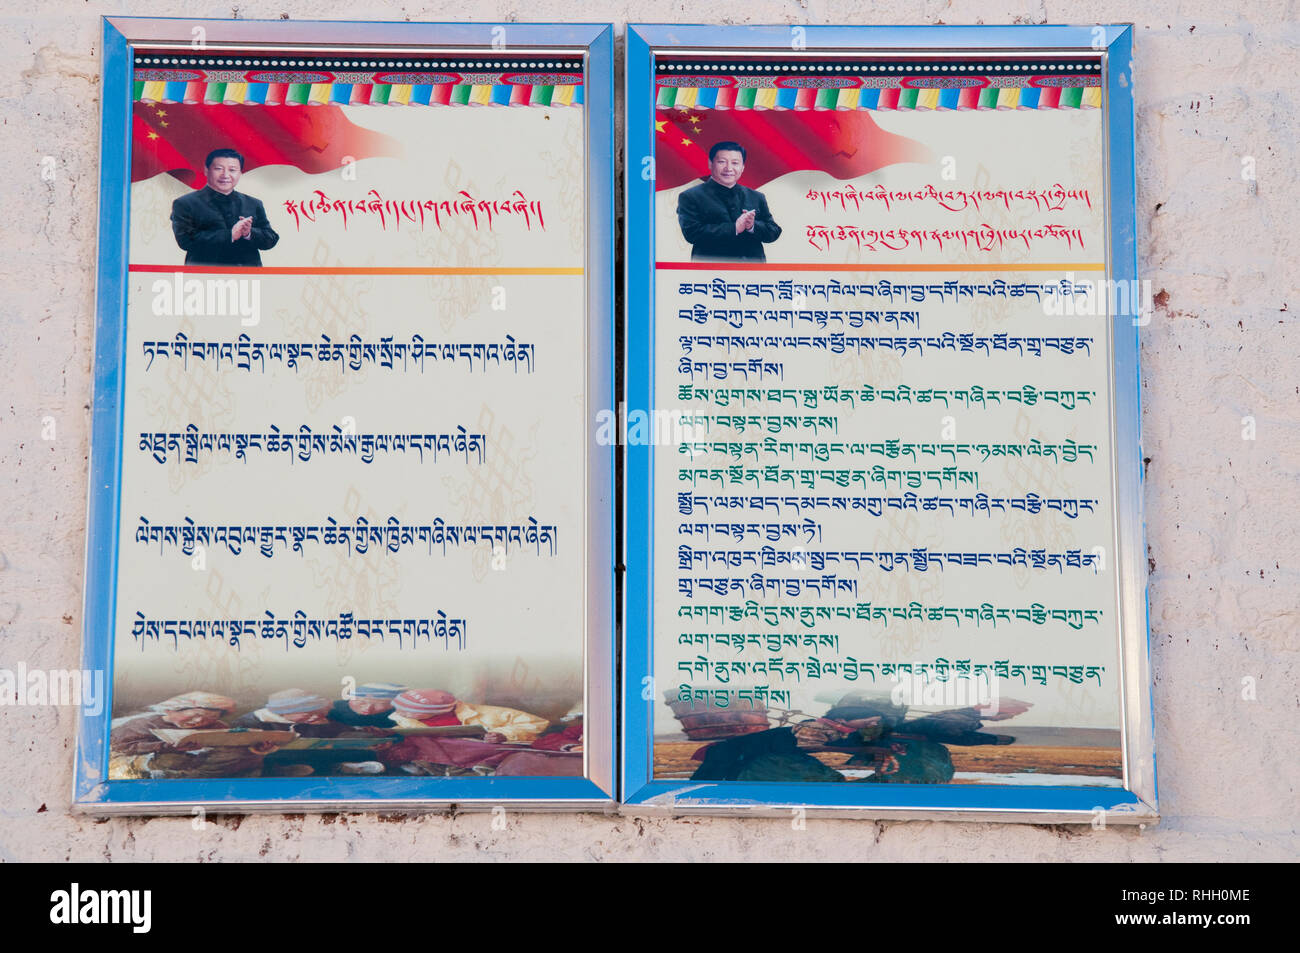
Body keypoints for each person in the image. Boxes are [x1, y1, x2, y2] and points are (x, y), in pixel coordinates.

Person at [109, 691, 277, 779]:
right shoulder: (144, 724)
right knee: (172, 761)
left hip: (205, 761)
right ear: (170, 710)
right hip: (152, 761)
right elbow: (119, 747)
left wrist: (257, 747)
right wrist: (165, 747)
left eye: (208, 718)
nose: (198, 722)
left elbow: (231, 743)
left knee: (242, 756)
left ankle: (266, 774)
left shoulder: (217, 726)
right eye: (194, 715)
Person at [170, 147, 279, 266]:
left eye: (232, 170)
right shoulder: (185, 203)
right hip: (204, 278)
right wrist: (230, 235)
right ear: (206, 170)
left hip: (248, 278)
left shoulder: (254, 203)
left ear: (240, 173)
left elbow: (271, 239)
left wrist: (249, 233)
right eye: (218, 169)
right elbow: (185, 241)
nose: (225, 175)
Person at [676, 141, 782, 261]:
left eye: (735, 163)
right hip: (710, 273)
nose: (729, 168)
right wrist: (735, 228)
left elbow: (774, 231)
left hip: (753, 272)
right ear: (710, 164)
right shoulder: (690, 196)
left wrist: (752, 226)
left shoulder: (757, 196)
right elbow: (692, 233)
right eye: (722, 162)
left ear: (742, 167)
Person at [329, 682, 405, 729]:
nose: (368, 708)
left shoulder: (400, 714)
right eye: (362, 702)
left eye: (381, 704)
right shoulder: (333, 708)